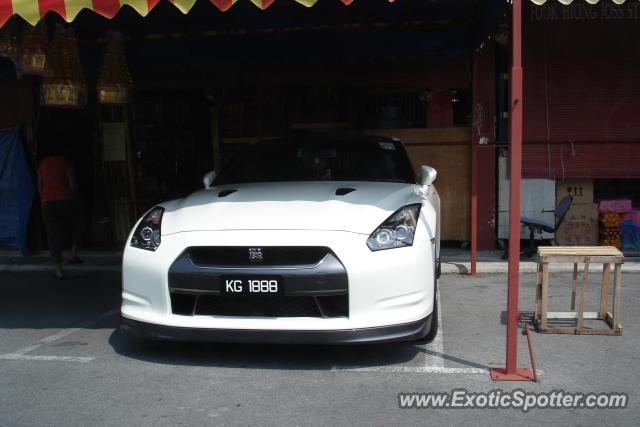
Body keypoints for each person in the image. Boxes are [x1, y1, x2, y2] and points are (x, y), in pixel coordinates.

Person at [37, 140, 83, 279]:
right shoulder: (66, 162)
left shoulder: (43, 163)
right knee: (78, 224)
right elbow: (72, 185)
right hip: (66, 199)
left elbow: (39, 184)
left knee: (53, 235)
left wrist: (44, 198)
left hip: (48, 202)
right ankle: (73, 253)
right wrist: (77, 199)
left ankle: (58, 269)